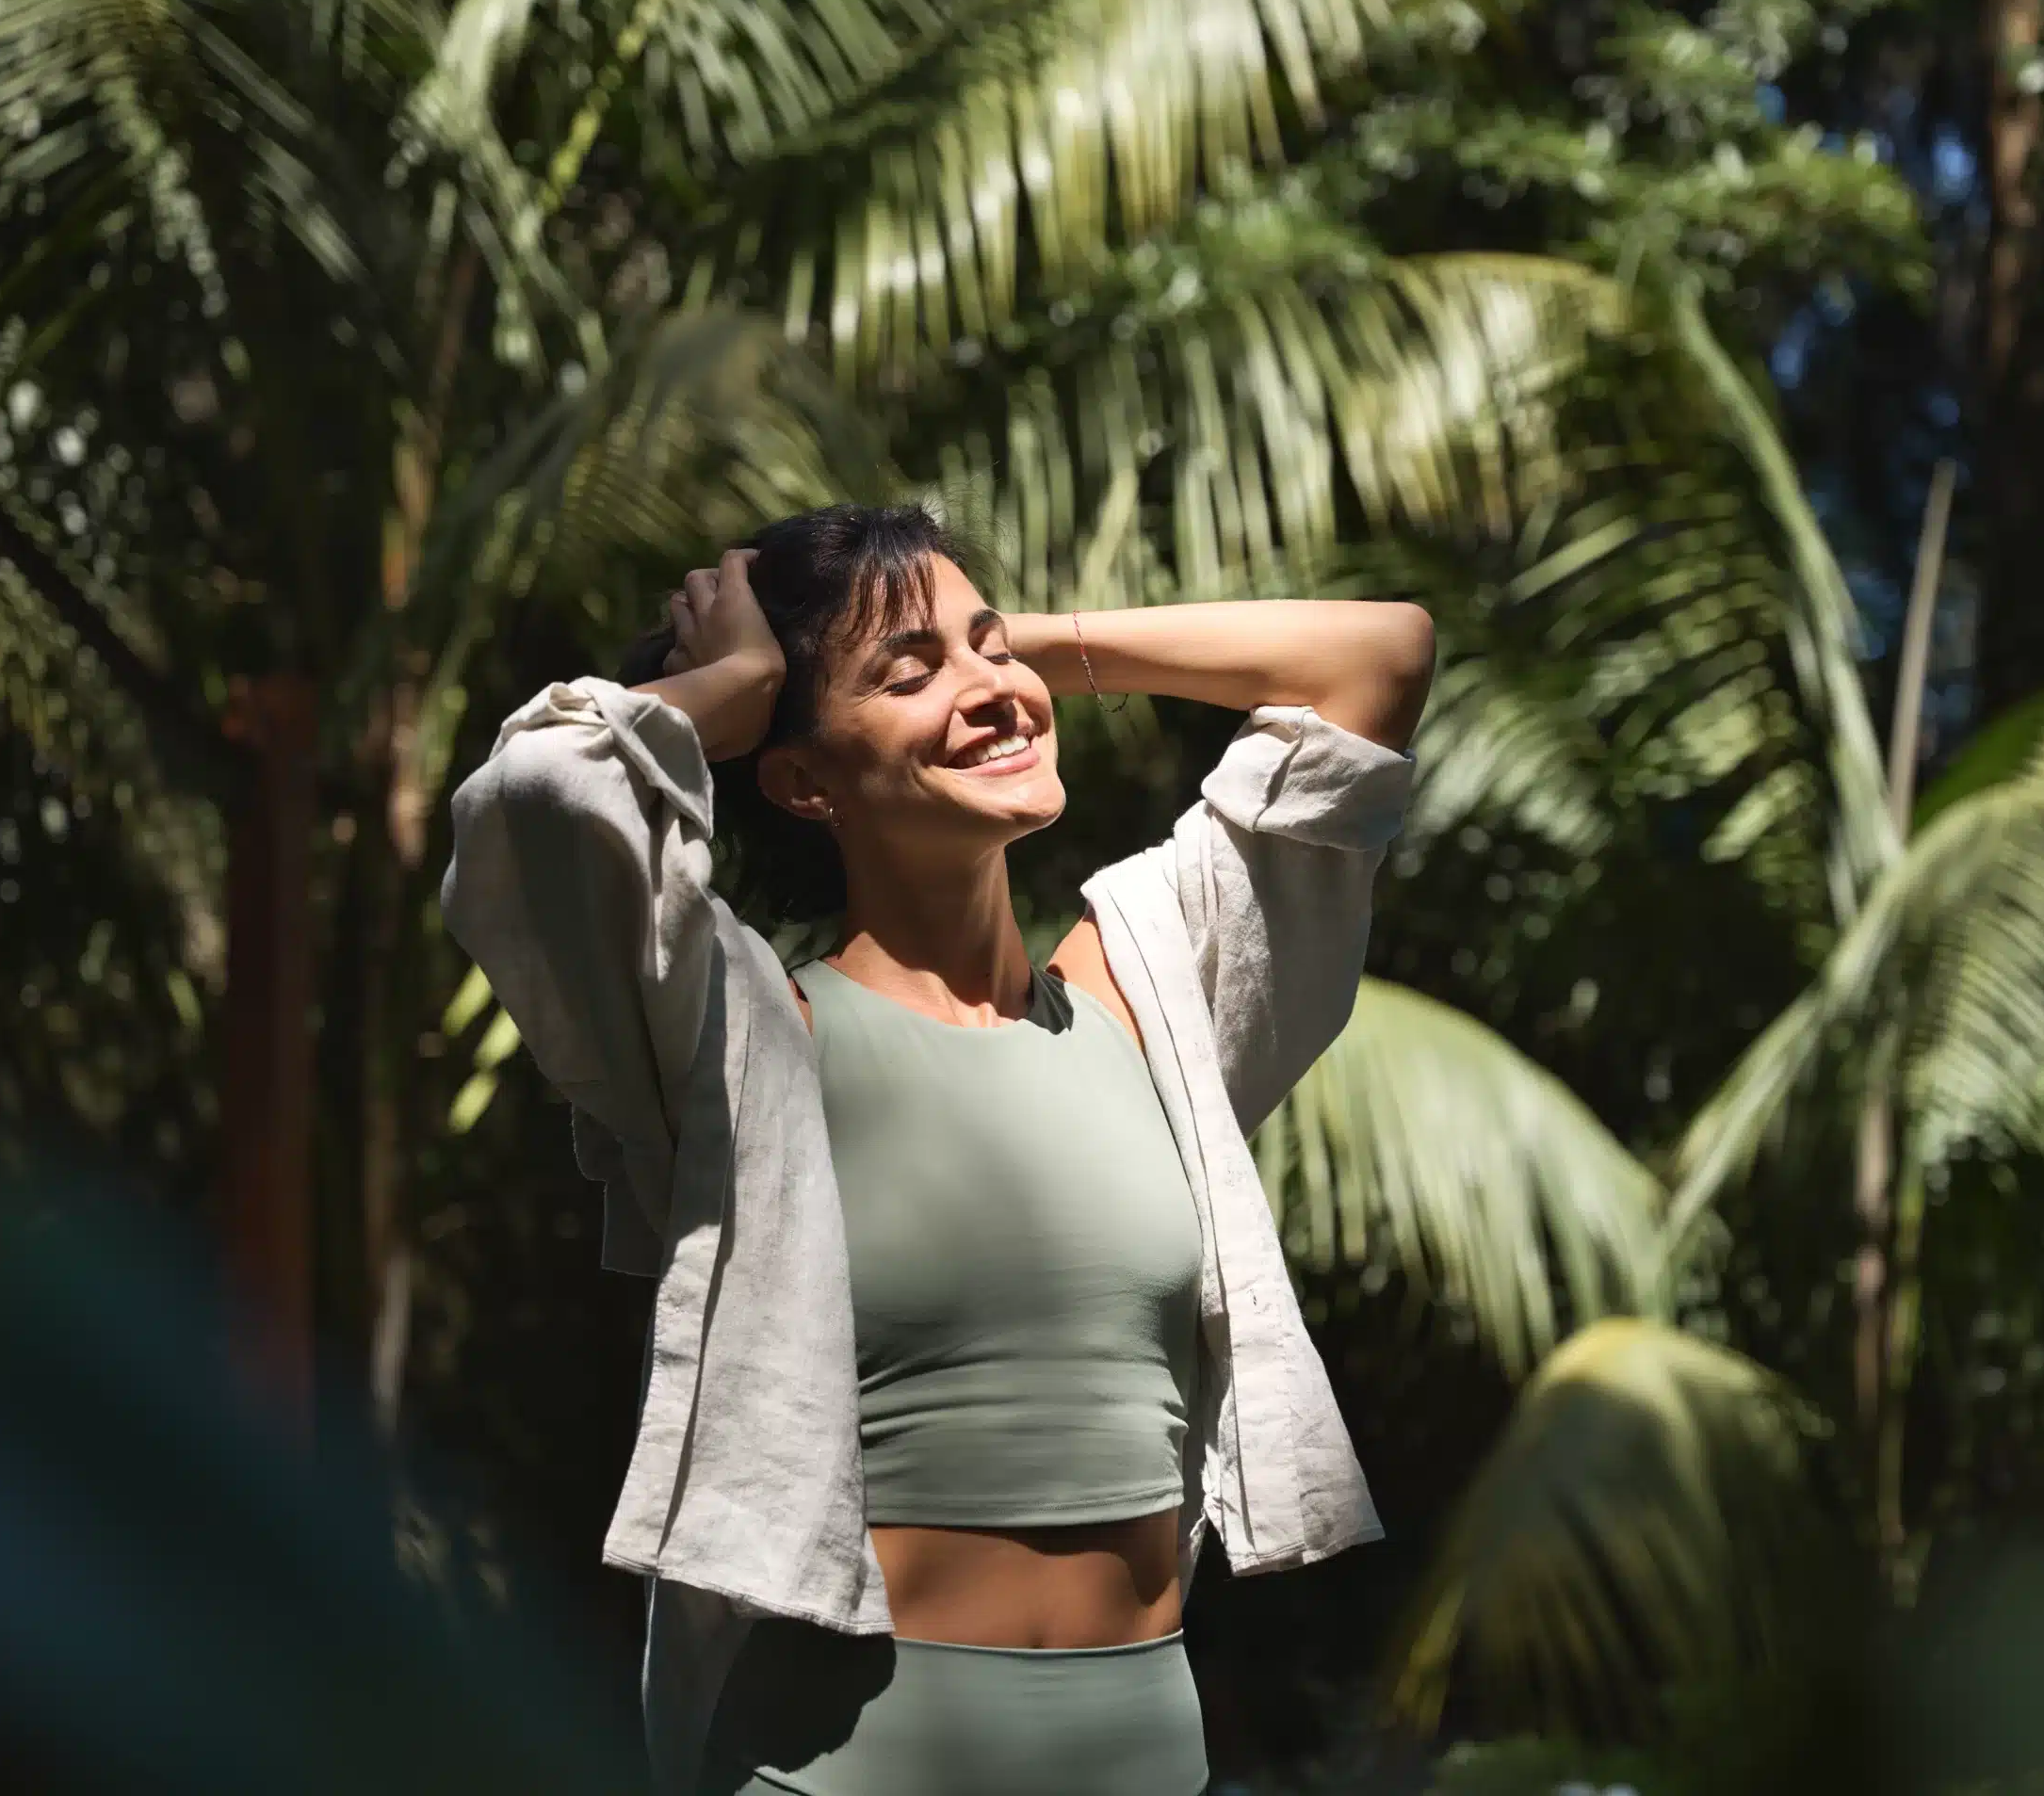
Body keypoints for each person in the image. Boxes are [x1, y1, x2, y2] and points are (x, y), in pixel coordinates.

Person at [441, 505, 1433, 1795]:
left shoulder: (1153, 981)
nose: (985, 692)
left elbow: (1380, 660)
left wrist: (1025, 653)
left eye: (988, 647)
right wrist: (740, 681)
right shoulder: (747, 1031)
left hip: (1144, 1752)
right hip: (847, 1761)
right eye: (908, 676)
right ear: (802, 778)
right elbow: (536, 798)